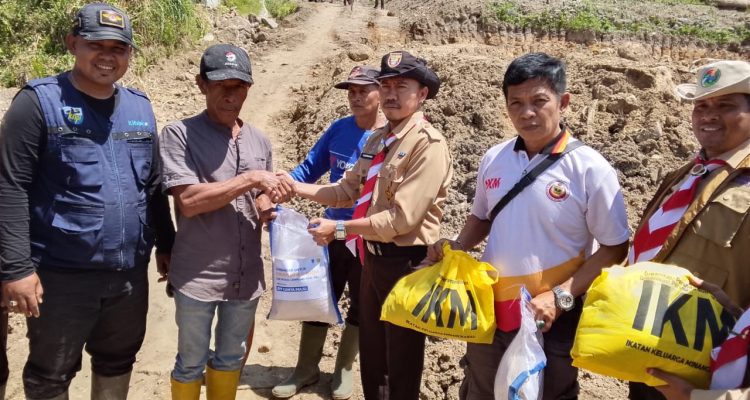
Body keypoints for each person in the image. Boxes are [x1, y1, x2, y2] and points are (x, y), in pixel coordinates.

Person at [427, 52, 630, 400]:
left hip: (551, 317)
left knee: (549, 393)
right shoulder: (495, 158)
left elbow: (615, 247)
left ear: (563, 102)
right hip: (491, 309)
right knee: (482, 388)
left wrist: (560, 296)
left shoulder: (590, 168)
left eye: (539, 101)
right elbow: (482, 217)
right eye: (516, 103)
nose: (527, 113)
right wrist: (457, 247)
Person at [0, 3, 176, 399]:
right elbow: (10, 187)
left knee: (118, 359)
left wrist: (167, 243)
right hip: (61, 274)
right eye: (97, 45)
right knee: (51, 373)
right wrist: (16, 269)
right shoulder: (38, 103)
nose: (107, 57)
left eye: (119, 48)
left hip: (128, 272)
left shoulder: (139, 107)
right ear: (73, 44)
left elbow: (153, 185)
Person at [284, 50, 452, 399]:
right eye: (386, 85)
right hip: (372, 258)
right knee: (374, 360)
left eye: (401, 86)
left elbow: (401, 219)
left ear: (422, 94)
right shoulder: (378, 140)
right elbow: (346, 191)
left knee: (400, 361)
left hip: (406, 264)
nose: (391, 94)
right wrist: (292, 187)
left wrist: (339, 230)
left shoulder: (428, 145)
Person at [159, 43, 290, 400]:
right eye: (220, 86)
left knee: (231, 358)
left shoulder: (259, 140)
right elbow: (189, 202)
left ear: (249, 88)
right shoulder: (179, 135)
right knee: (190, 362)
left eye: (239, 87)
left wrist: (270, 204)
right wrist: (251, 179)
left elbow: (258, 198)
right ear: (201, 84)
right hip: (198, 277)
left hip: (246, 277)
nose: (230, 96)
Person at [627, 59, 750, 400]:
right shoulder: (687, 174)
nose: (709, 115)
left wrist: (703, 397)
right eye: (702, 106)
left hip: (710, 378)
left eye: (725, 105)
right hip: (652, 357)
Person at [272, 65, 385, 399]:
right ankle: (305, 369)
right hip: (331, 232)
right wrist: (281, 186)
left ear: (381, 92)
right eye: (351, 91)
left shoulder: (389, 137)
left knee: (363, 306)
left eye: (363, 90)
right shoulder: (339, 130)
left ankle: (344, 370)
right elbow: (310, 168)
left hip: (368, 236)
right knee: (318, 298)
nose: (356, 97)